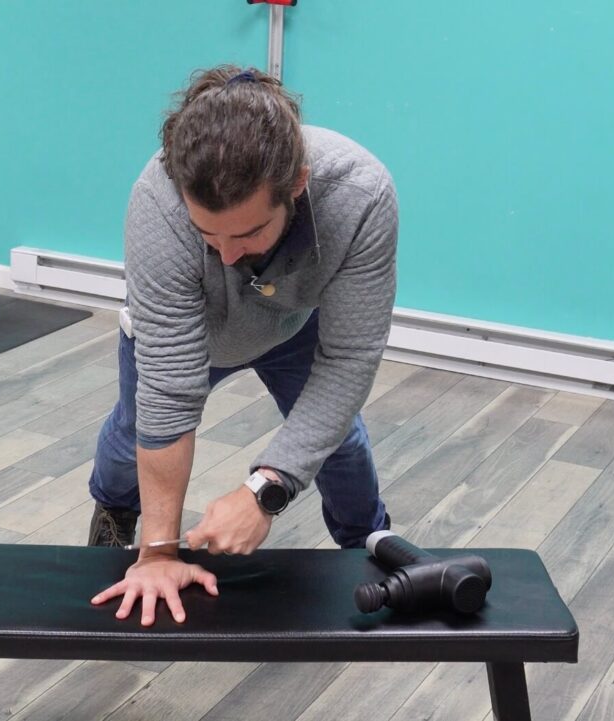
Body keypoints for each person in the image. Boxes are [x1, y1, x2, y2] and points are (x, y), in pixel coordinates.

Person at [87, 65, 398, 626]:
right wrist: (159, 553)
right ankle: (114, 512)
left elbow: (349, 358)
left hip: (289, 326)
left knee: (341, 446)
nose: (227, 258)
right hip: (186, 336)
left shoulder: (359, 194)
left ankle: (373, 544)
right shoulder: (157, 203)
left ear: (297, 186)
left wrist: (266, 488)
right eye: (209, 236)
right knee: (134, 431)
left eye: (249, 232)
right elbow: (170, 392)